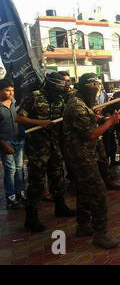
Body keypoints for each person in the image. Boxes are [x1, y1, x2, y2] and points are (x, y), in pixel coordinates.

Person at [63, 73, 120, 249]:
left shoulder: (80, 102)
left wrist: (99, 119)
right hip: (81, 156)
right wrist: (110, 122)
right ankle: (100, 234)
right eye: (94, 85)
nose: (97, 89)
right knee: (98, 191)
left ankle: (83, 225)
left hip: (83, 154)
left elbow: (89, 120)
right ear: (86, 86)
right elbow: (91, 134)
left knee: (83, 189)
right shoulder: (76, 106)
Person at [16, 72, 76, 232]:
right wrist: (40, 123)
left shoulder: (60, 98)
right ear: (49, 86)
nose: (60, 92)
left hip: (54, 144)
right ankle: (31, 217)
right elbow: (19, 118)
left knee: (57, 176)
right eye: (57, 89)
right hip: (37, 147)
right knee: (37, 182)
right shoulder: (33, 97)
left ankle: (60, 206)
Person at [0, 78, 25, 210]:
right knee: (10, 170)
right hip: (6, 142)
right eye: (7, 90)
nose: (11, 93)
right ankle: (11, 197)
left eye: (12, 90)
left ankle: (20, 193)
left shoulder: (15, 103)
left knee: (19, 168)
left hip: (19, 140)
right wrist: (4, 144)